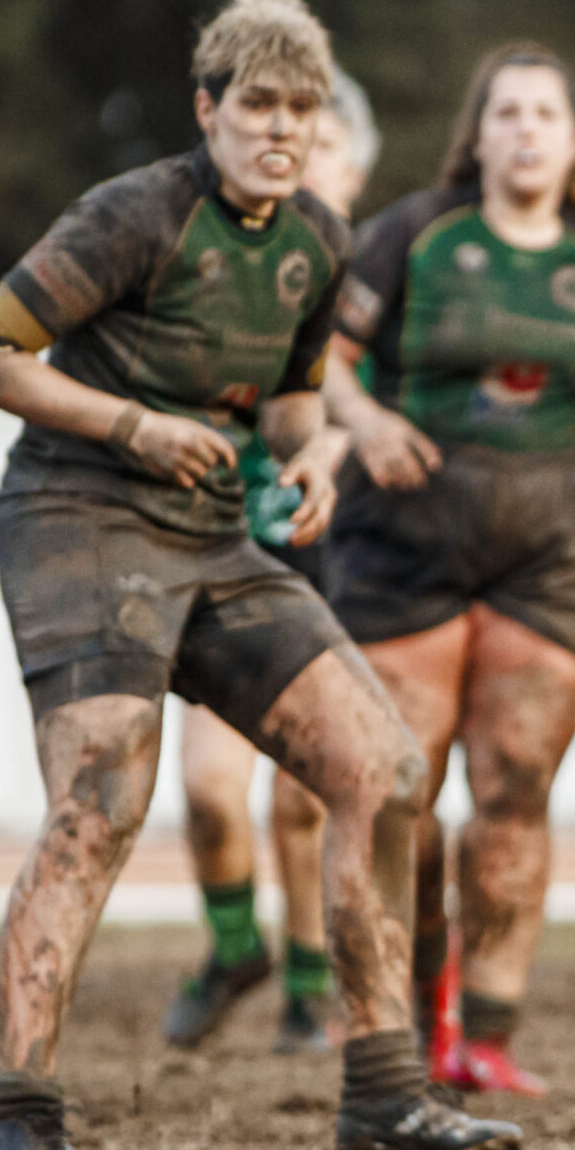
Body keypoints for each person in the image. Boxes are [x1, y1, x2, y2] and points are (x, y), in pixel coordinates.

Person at [0, 0, 518, 1150]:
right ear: (207, 109)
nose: (281, 129)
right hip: (77, 516)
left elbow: (294, 398)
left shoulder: (318, 238)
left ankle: (382, 1092)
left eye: (301, 111)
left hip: (211, 535)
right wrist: (134, 427)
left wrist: (312, 456)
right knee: (102, 796)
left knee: (383, 767)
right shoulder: (135, 212)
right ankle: (18, 1110)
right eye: (259, 105)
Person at [319, 44, 575, 1096]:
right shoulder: (412, 234)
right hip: (406, 541)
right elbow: (324, 365)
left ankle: (484, 1034)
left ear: (574, 141)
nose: (526, 130)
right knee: (397, 789)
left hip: (557, 553)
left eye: (545, 114)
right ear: (476, 135)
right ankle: (400, 1016)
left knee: (514, 785)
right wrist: (365, 421)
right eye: (507, 112)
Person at [162, 66, 380, 1056]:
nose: (300, 156)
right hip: (231, 550)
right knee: (212, 790)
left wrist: (331, 449)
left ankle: (306, 988)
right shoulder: (233, 267)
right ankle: (234, 949)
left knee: (306, 798)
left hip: (342, 561)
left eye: (324, 143)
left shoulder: (377, 282)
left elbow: (371, 407)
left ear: (355, 170)